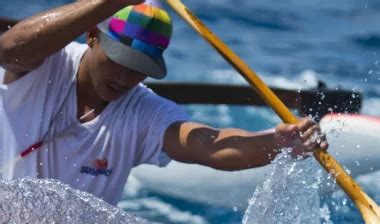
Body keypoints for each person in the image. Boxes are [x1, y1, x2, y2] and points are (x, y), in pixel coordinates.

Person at [0, 0, 328, 206]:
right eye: (120, 60)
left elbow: (210, 146)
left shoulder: (145, 111)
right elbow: (7, 50)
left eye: (141, 69)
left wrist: (278, 142)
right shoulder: (43, 65)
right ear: (92, 37)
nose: (127, 78)